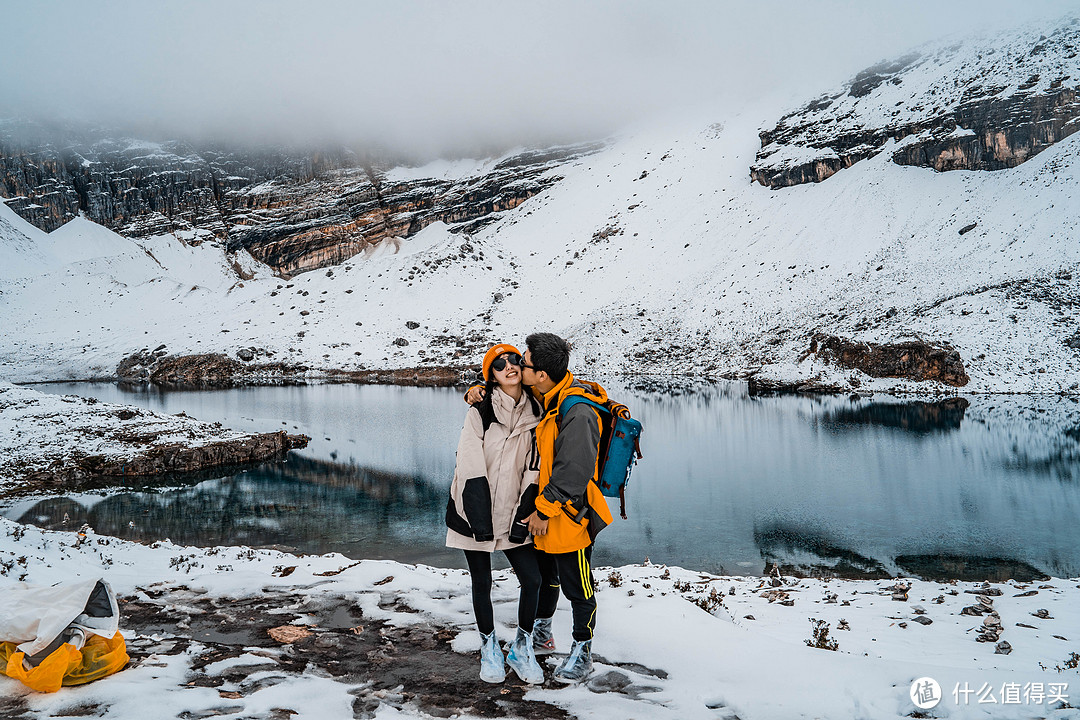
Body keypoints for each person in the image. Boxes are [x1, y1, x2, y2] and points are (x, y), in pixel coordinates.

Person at [445, 343, 555, 685]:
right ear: (490, 376)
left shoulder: (539, 409)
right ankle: (488, 645)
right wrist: (479, 520)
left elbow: (534, 469)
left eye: (514, 360)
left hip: (513, 511)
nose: (508, 365)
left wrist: (525, 513)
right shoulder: (480, 411)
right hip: (473, 510)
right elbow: (469, 464)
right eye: (498, 364)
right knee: (482, 581)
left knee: (533, 580)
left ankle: (521, 646)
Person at [519, 332, 614, 684]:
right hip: (549, 509)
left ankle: (583, 651)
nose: (519, 366)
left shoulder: (578, 411)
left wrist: (543, 511)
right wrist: (479, 389)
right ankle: (543, 634)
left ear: (542, 374)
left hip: (570, 513)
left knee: (578, 585)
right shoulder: (550, 394)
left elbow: (573, 472)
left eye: (524, 362)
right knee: (547, 576)